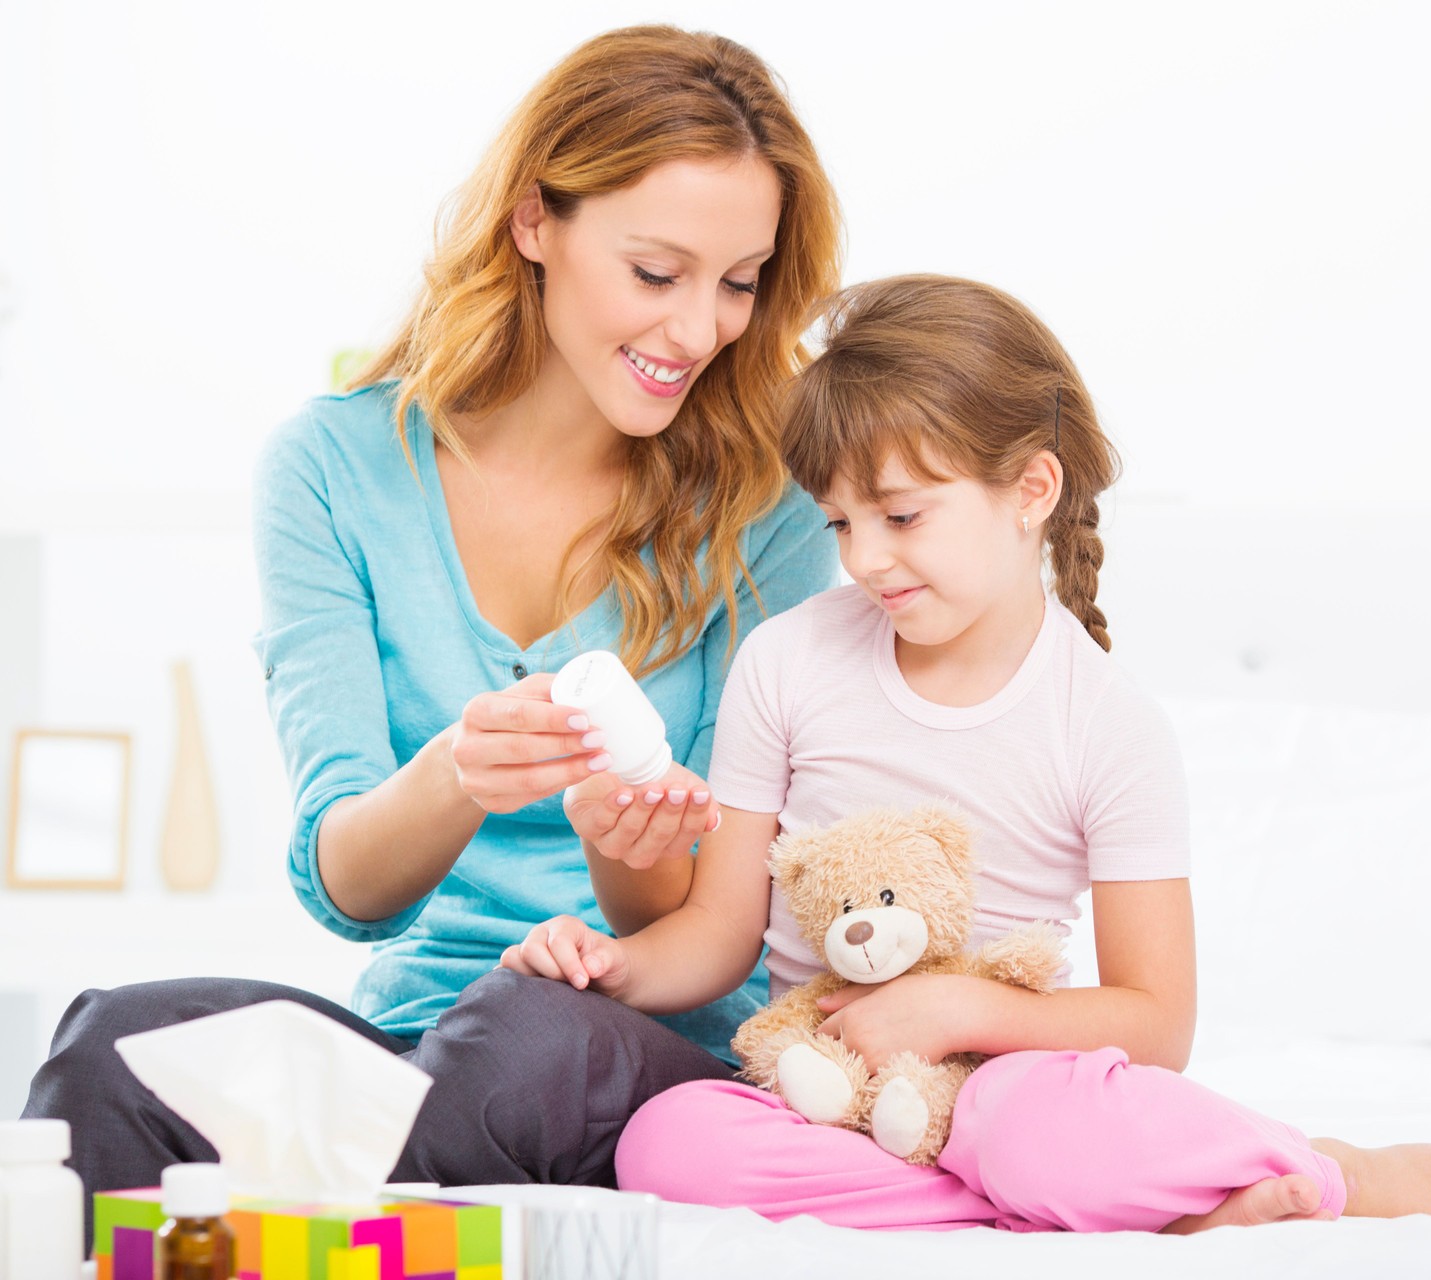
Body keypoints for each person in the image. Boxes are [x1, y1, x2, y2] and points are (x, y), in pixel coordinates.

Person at [503, 274, 1431, 1231]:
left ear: (1030, 489)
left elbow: (1156, 1021)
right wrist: (614, 966)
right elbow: (720, 933)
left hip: (1010, 1081)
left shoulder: (1105, 722)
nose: (866, 557)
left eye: (904, 514)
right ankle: (1088, 1200)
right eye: (840, 521)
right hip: (831, 1088)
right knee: (668, 1140)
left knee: (1026, 1126)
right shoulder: (789, 663)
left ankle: (1344, 1175)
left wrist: (966, 1007)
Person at [23, 24, 843, 1247]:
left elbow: (713, 934)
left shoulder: (766, 512)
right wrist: (453, 774)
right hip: (411, 1036)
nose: (701, 330)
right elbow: (346, 883)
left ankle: (309, 1186)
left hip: (630, 1037)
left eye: (740, 282)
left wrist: (620, 846)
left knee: (521, 1039)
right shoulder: (335, 468)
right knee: (111, 1049)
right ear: (534, 223)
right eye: (657, 272)